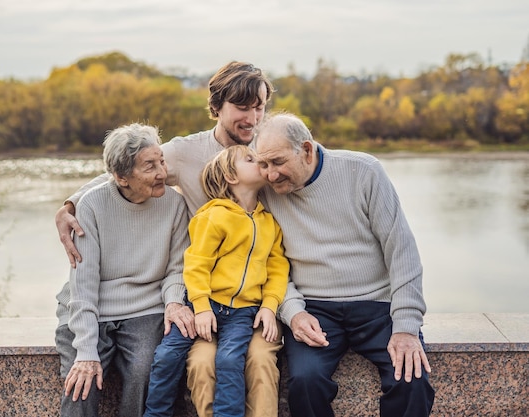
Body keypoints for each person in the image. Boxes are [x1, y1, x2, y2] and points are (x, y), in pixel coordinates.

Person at [55, 61, 282, 417]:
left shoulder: (265, 153)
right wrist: (71, 203)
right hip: (203, 293)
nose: (253, 117)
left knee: (247, 362)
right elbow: (118, 173)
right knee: (189, 364)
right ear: (217, 107)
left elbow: (302, 170)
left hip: (248, 298)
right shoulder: (181, 153)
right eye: (242, 107)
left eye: (259, 106)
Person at [253, 112, 436, 417]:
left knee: (411, 380)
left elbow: (401, 251)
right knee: (304, 382)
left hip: (378, 305)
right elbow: (270, 265)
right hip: (314, 308)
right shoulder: (266, 193)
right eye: (263, 164)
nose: (270, 175)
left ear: (307, 150)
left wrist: (406, 326)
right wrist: (293, 313)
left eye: (278, 162)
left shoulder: (363, 171)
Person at [54, 123, 194, 417]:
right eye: (149, 166)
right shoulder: (92, 204)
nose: (161, 173)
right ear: (121, 177)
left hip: (145, 308)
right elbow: (84, 283)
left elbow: (176, 269)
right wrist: (87, 352)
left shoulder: (175, 204)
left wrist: (173, 302)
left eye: (161, 162)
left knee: (146, 372)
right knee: (81, 382)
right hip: (89, 306)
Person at [143, 145, 289, 417]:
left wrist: (270, 305)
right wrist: (201, 306)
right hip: (205, 304)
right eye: (250, 159)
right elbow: (196, 264)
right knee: (166, 357)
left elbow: (278, 268)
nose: (258, 162)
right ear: (231, 177)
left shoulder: (269, 223)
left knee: (229, 359)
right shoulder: (213, 216)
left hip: (243, 313)